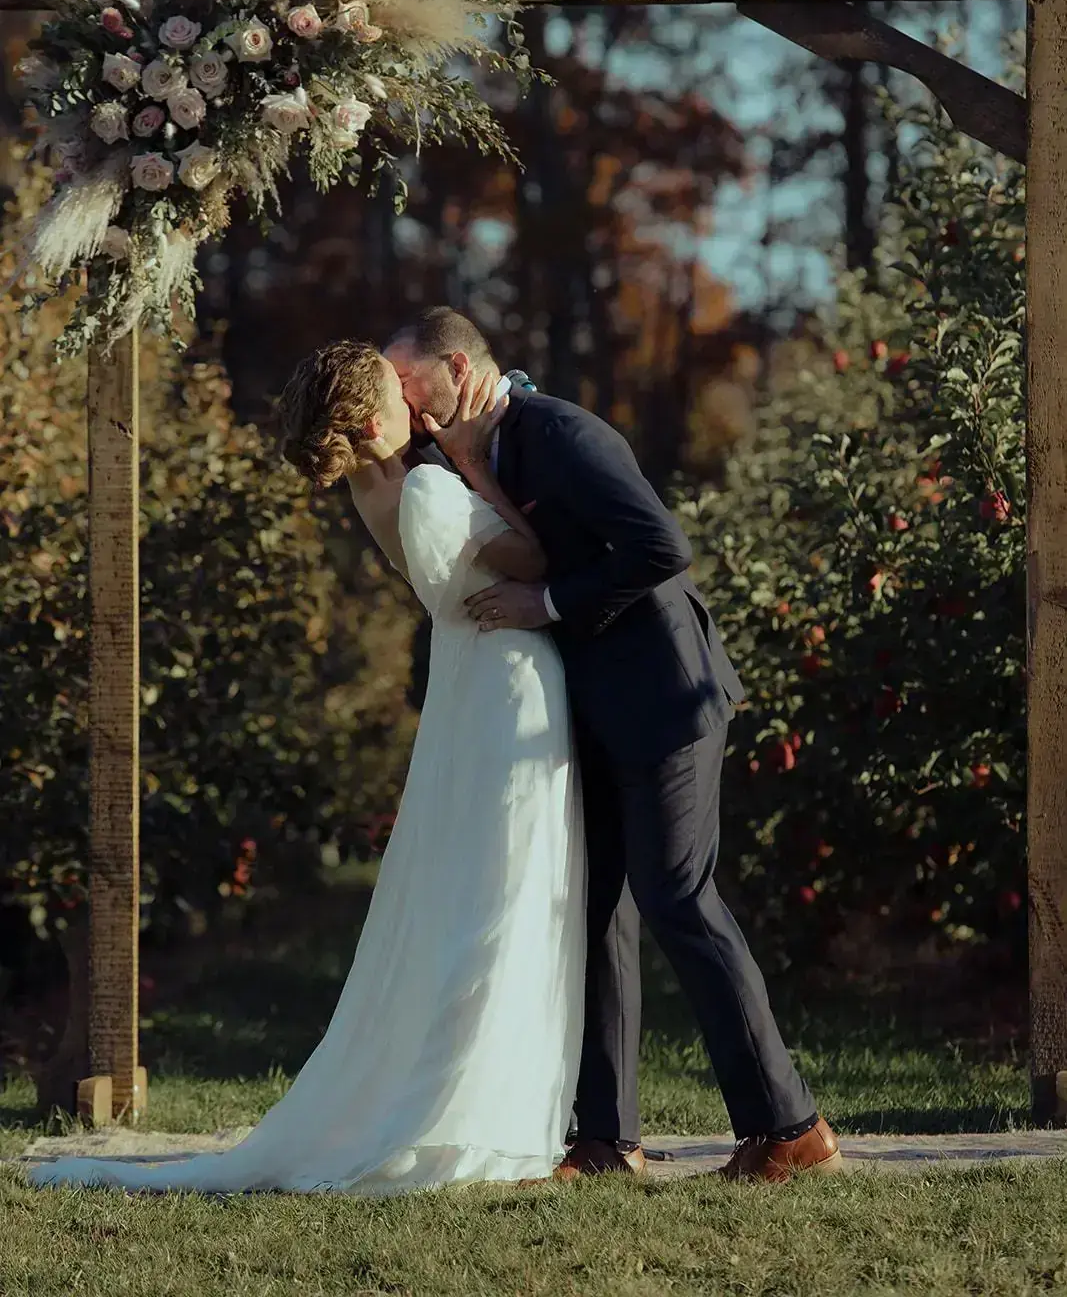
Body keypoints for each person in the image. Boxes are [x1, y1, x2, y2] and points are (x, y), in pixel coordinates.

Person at [26, 341, 586, 1195]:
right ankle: (471, 1113)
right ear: (372, 420)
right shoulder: (435, 489)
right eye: (399, 393)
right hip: (504, 688)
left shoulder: (375, 488)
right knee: (502, 895)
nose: (416, 397)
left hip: (467, 693)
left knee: (474, 891)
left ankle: (487, 1103)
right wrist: (473, 458)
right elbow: (539, 556)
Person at [383, 307, 841, 1183]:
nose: (405, 398)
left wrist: (547, 604)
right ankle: (604, 1140)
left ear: (455, 366)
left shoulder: (558, 431)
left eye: (411, 380)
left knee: (676, 898)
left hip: (664, 698)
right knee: (590, 909)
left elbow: (659, 546)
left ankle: (790, 1130)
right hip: (583, 711)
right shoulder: (465, 453)